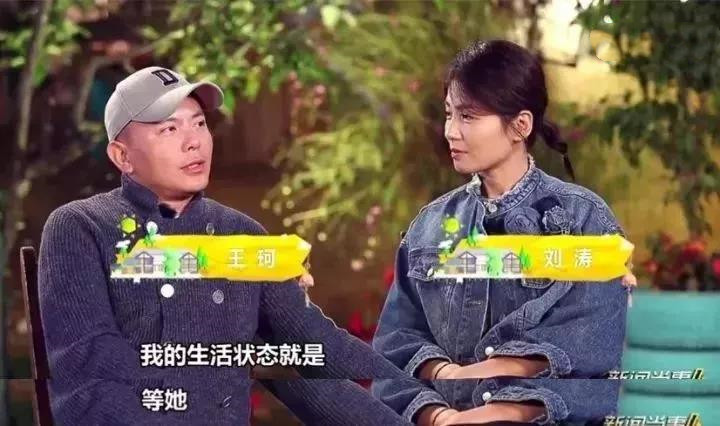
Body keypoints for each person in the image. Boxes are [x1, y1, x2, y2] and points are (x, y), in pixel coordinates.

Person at [38, 66, 413, 425]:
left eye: (199, 124)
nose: (194, 141)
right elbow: (89, 372)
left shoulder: (241, 234)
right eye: (169, 129)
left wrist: (426, 400)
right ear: (123, 156)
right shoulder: (82, 226)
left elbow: (311, 349)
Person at [372, 40, 634, 425]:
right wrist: (440, 415)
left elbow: (587, 358)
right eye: (449, 114)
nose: (451, 131)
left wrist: (494, 411)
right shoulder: (430, 226)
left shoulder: (583, 220)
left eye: (468, 116)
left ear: (520, 125)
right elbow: (393, 349)